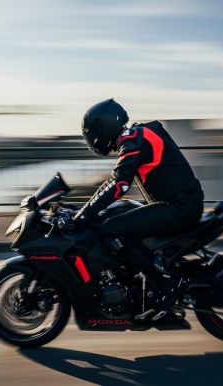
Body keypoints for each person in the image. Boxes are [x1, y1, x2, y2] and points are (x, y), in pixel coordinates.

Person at [71, 98, 204, 320]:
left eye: (93, 132)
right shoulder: (136, 135)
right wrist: (84, 209)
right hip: (174, 203)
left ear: (104, 126)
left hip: (180, 207)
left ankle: (165, 283)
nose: (93, 138)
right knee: (116, 214)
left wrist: (83, 214)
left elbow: (119, 183)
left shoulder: (133, 138)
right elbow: (117, 183)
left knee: (112, 228)